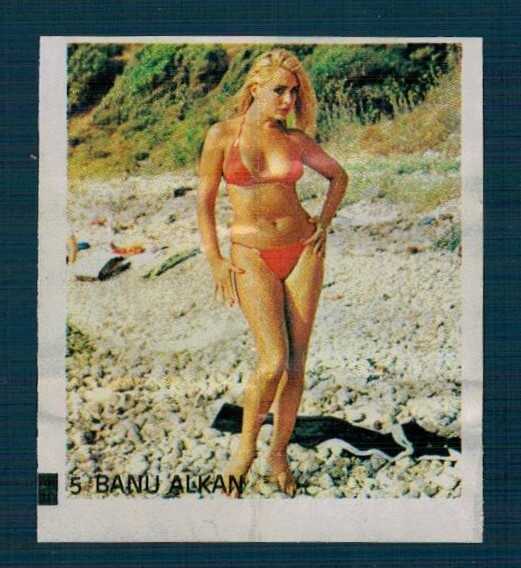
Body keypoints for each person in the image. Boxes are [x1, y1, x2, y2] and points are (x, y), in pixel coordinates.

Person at [197, 48, 349, 497]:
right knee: (272, 362)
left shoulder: (296, 141)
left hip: (303, 252)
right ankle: (245, 450)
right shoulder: (222, 135)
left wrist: (324, 222)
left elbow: (339, 177)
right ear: (255, 88)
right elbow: (204, 203)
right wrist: (215, 259)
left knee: (297, 364)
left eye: (293, 92)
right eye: (279, 90)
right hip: (250, 255)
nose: (287, 100)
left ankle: (278, 454)